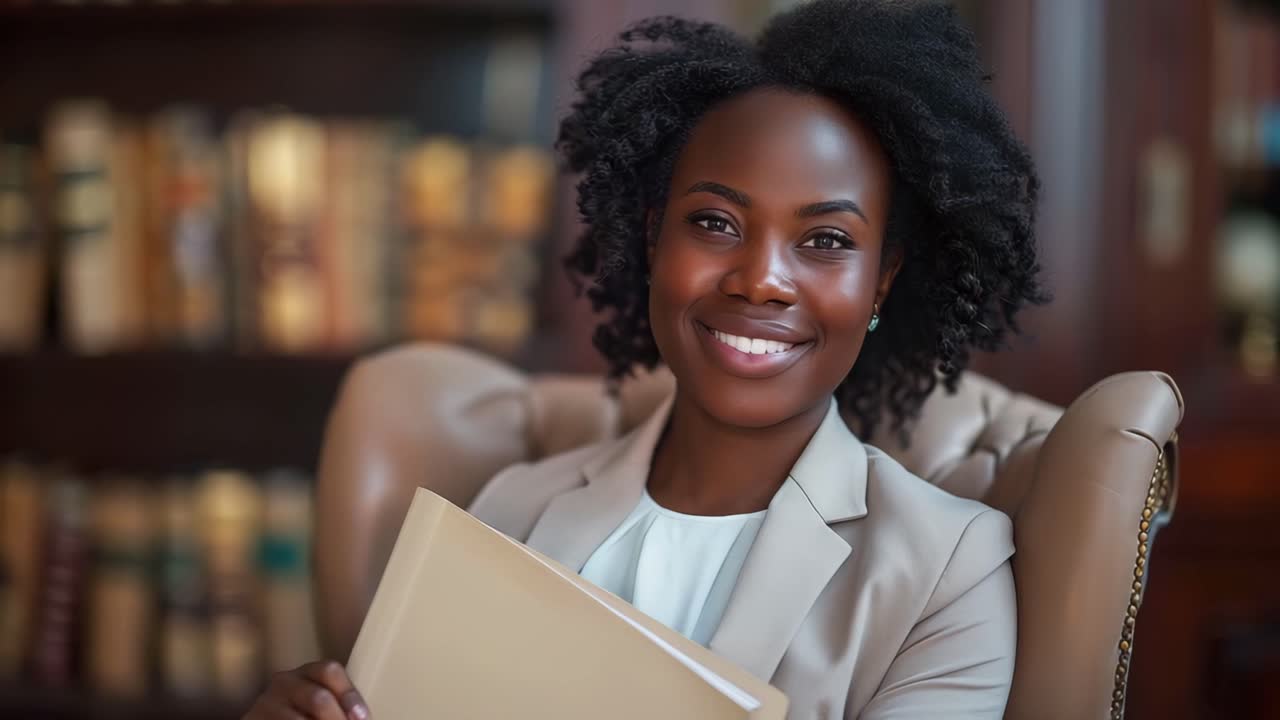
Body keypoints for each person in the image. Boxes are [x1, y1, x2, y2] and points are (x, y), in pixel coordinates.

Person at [243, 0, 1046, 718]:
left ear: (883, 281)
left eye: (827, 241)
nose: (762, 279)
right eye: (716, 223)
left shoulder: (952, 570)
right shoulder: (511, 511)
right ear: (655, 237)